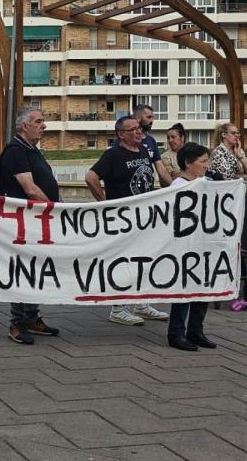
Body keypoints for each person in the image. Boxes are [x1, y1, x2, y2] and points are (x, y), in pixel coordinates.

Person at [86, 115, 169, 326]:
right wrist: (104, 204)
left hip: (144, 217)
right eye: (132, 129)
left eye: (139, 128)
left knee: (143, 260)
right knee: (124, 262)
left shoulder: (143, 150)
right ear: (121, 134)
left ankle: (141, 303)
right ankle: (118, 307)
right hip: (123, 219)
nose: (138, 132)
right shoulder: (113, 154)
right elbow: (91, 177)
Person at [0, 108, 62, 344]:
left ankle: (32, 316)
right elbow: (29, 189)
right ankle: (17, 323)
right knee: (23, 270)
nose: (44, 126)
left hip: (37, 222)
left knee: (35, 270)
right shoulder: (15, 152)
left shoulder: (31, 150)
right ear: (24, 126)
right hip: (23, 224)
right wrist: (56, 208)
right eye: (39, 121)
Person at [166, 142, 216, 351]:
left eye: (207, 161)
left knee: (202, 287)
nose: (207, 165)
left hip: (203, 243)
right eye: (202, 161)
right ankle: (176, 332)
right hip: (184, 245)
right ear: (188, 163)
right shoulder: (178, 186)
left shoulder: (206, 182)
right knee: (184, 289)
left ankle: (196, 330)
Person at [130, 104, 173, 188]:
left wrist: (175, 186)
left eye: (153, 117)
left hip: (148, 194)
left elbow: (161, 168)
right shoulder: (125, 140)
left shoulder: (151, 140)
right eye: (149, 117)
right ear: (138, 118)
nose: (152, 121)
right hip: (129, 197)